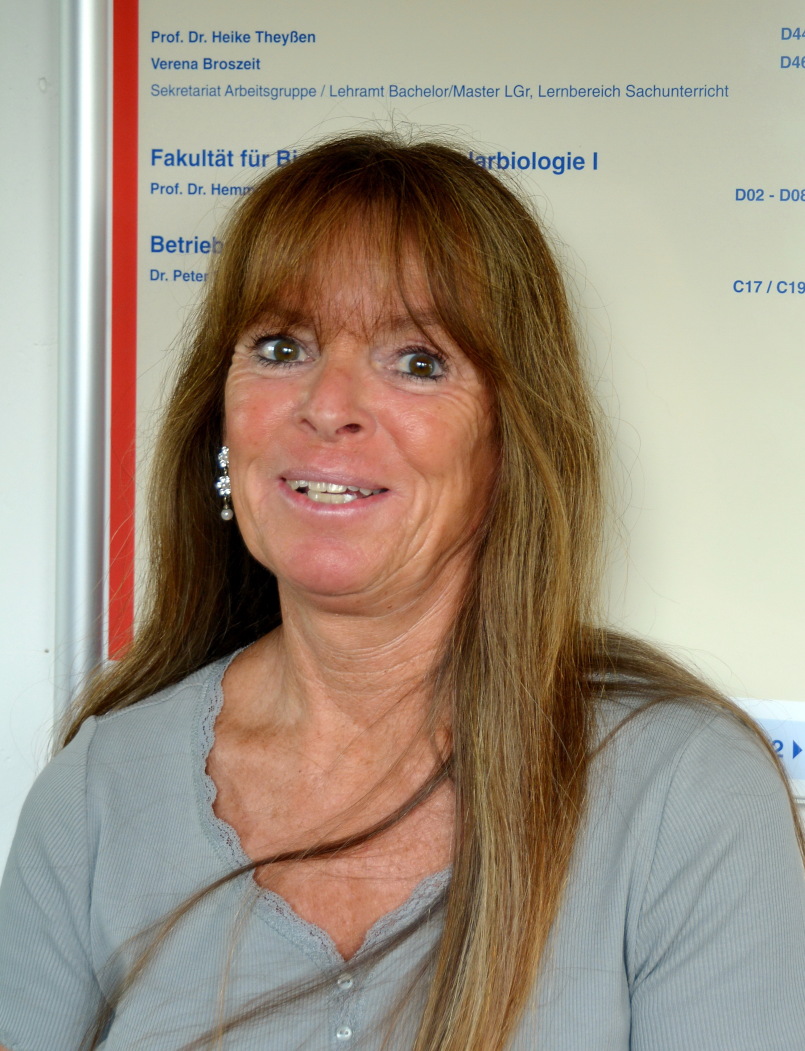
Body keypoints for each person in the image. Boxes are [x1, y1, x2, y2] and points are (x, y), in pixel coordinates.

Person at [0, 133, 803, 1051]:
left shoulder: (687, 796)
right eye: (281, 346)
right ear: (221, 427)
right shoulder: (99, 792)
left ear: (508, 443)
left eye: (417, 360)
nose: (327, 405)